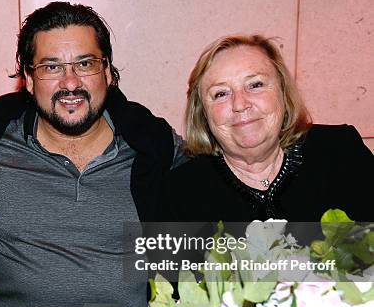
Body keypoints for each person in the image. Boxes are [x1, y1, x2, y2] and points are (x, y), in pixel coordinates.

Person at [0, 2, 186, 307]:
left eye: (85, 64)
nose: (70, 83)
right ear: (28, 78)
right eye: (51, 66)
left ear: (108, 72)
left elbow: (222, 187)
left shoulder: (154, 149)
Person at [158, 34, 373, 222]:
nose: (240, 104)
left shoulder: (340, 152)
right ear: (203, 113)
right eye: (221, 93)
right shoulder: (179, 194)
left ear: (282, 91)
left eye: (255, 85)